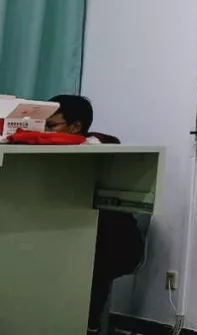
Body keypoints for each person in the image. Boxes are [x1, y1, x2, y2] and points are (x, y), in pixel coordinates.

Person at [47, 95, 145, 335]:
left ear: (75, 127)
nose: (44, 132)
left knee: (91, 260)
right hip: (78, 240)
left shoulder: (96, 153)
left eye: (50, 125)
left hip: (112, 244)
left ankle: (88, 325)